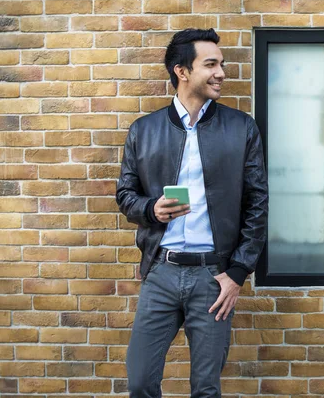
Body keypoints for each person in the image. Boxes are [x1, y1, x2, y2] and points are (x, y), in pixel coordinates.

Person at [116, 28, 268, 398]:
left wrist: (236, 273)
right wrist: (152, 209)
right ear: (182, 71)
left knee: (205, 388)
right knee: (140, 382)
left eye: (222, 64)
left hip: (212, 278)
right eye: (211, 64)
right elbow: (125, 196)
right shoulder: (144, 129)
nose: (221, 73)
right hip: (161, 272)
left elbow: (257, 204)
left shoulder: (241, 127)